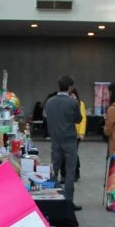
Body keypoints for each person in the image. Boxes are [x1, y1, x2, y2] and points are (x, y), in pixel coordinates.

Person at [45, 75, 83, 210]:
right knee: (70, 171)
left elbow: (47, 118)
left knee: (54, 170)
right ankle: (68, 202)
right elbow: (79, 119)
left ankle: (54, 199)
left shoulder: (49, 101)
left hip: (55, 140)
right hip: (69, 140)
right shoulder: (72, 102)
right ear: (70, 88)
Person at [61, 88, 87, 181]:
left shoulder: (80, 104)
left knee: (73, 154)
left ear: (76, 95)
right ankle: (64, 174)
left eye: (73, 95)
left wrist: (81, 133)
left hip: (76, 134)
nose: (71, 97)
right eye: (69, 95)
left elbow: (83, 119)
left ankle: (76, 173)